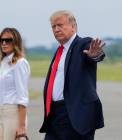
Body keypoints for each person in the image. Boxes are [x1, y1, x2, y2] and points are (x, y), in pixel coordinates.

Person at [39, 10, 105, 140]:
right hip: (54, 115)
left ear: (73, 26)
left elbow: (96, 54)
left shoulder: (83, 44)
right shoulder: (60, 51)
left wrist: (95, 54)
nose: (56, 29)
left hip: (74, 115)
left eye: (60, 25)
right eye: (53, 27)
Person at [0, 27, 30, 140]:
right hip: (1, 113)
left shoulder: (20, 63)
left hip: (13, 114)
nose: (4, 43)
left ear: (16, 42)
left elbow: (23, 96)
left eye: (8, 40)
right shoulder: (4, 62)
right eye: (1, 40)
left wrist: (21, 126)